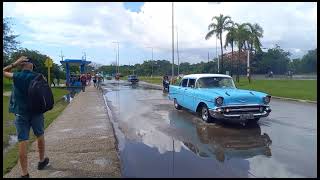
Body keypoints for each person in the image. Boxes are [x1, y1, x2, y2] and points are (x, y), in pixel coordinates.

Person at [3, 56, 50, 178]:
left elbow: (3, 72)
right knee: (40, 135)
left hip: (20, 114)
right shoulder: (39, 76)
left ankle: (25, 174)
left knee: (22, 141)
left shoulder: (16, 76)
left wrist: (14, 64)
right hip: (37, 113)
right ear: (30, 65)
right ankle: (41, 161)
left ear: (21, 64)